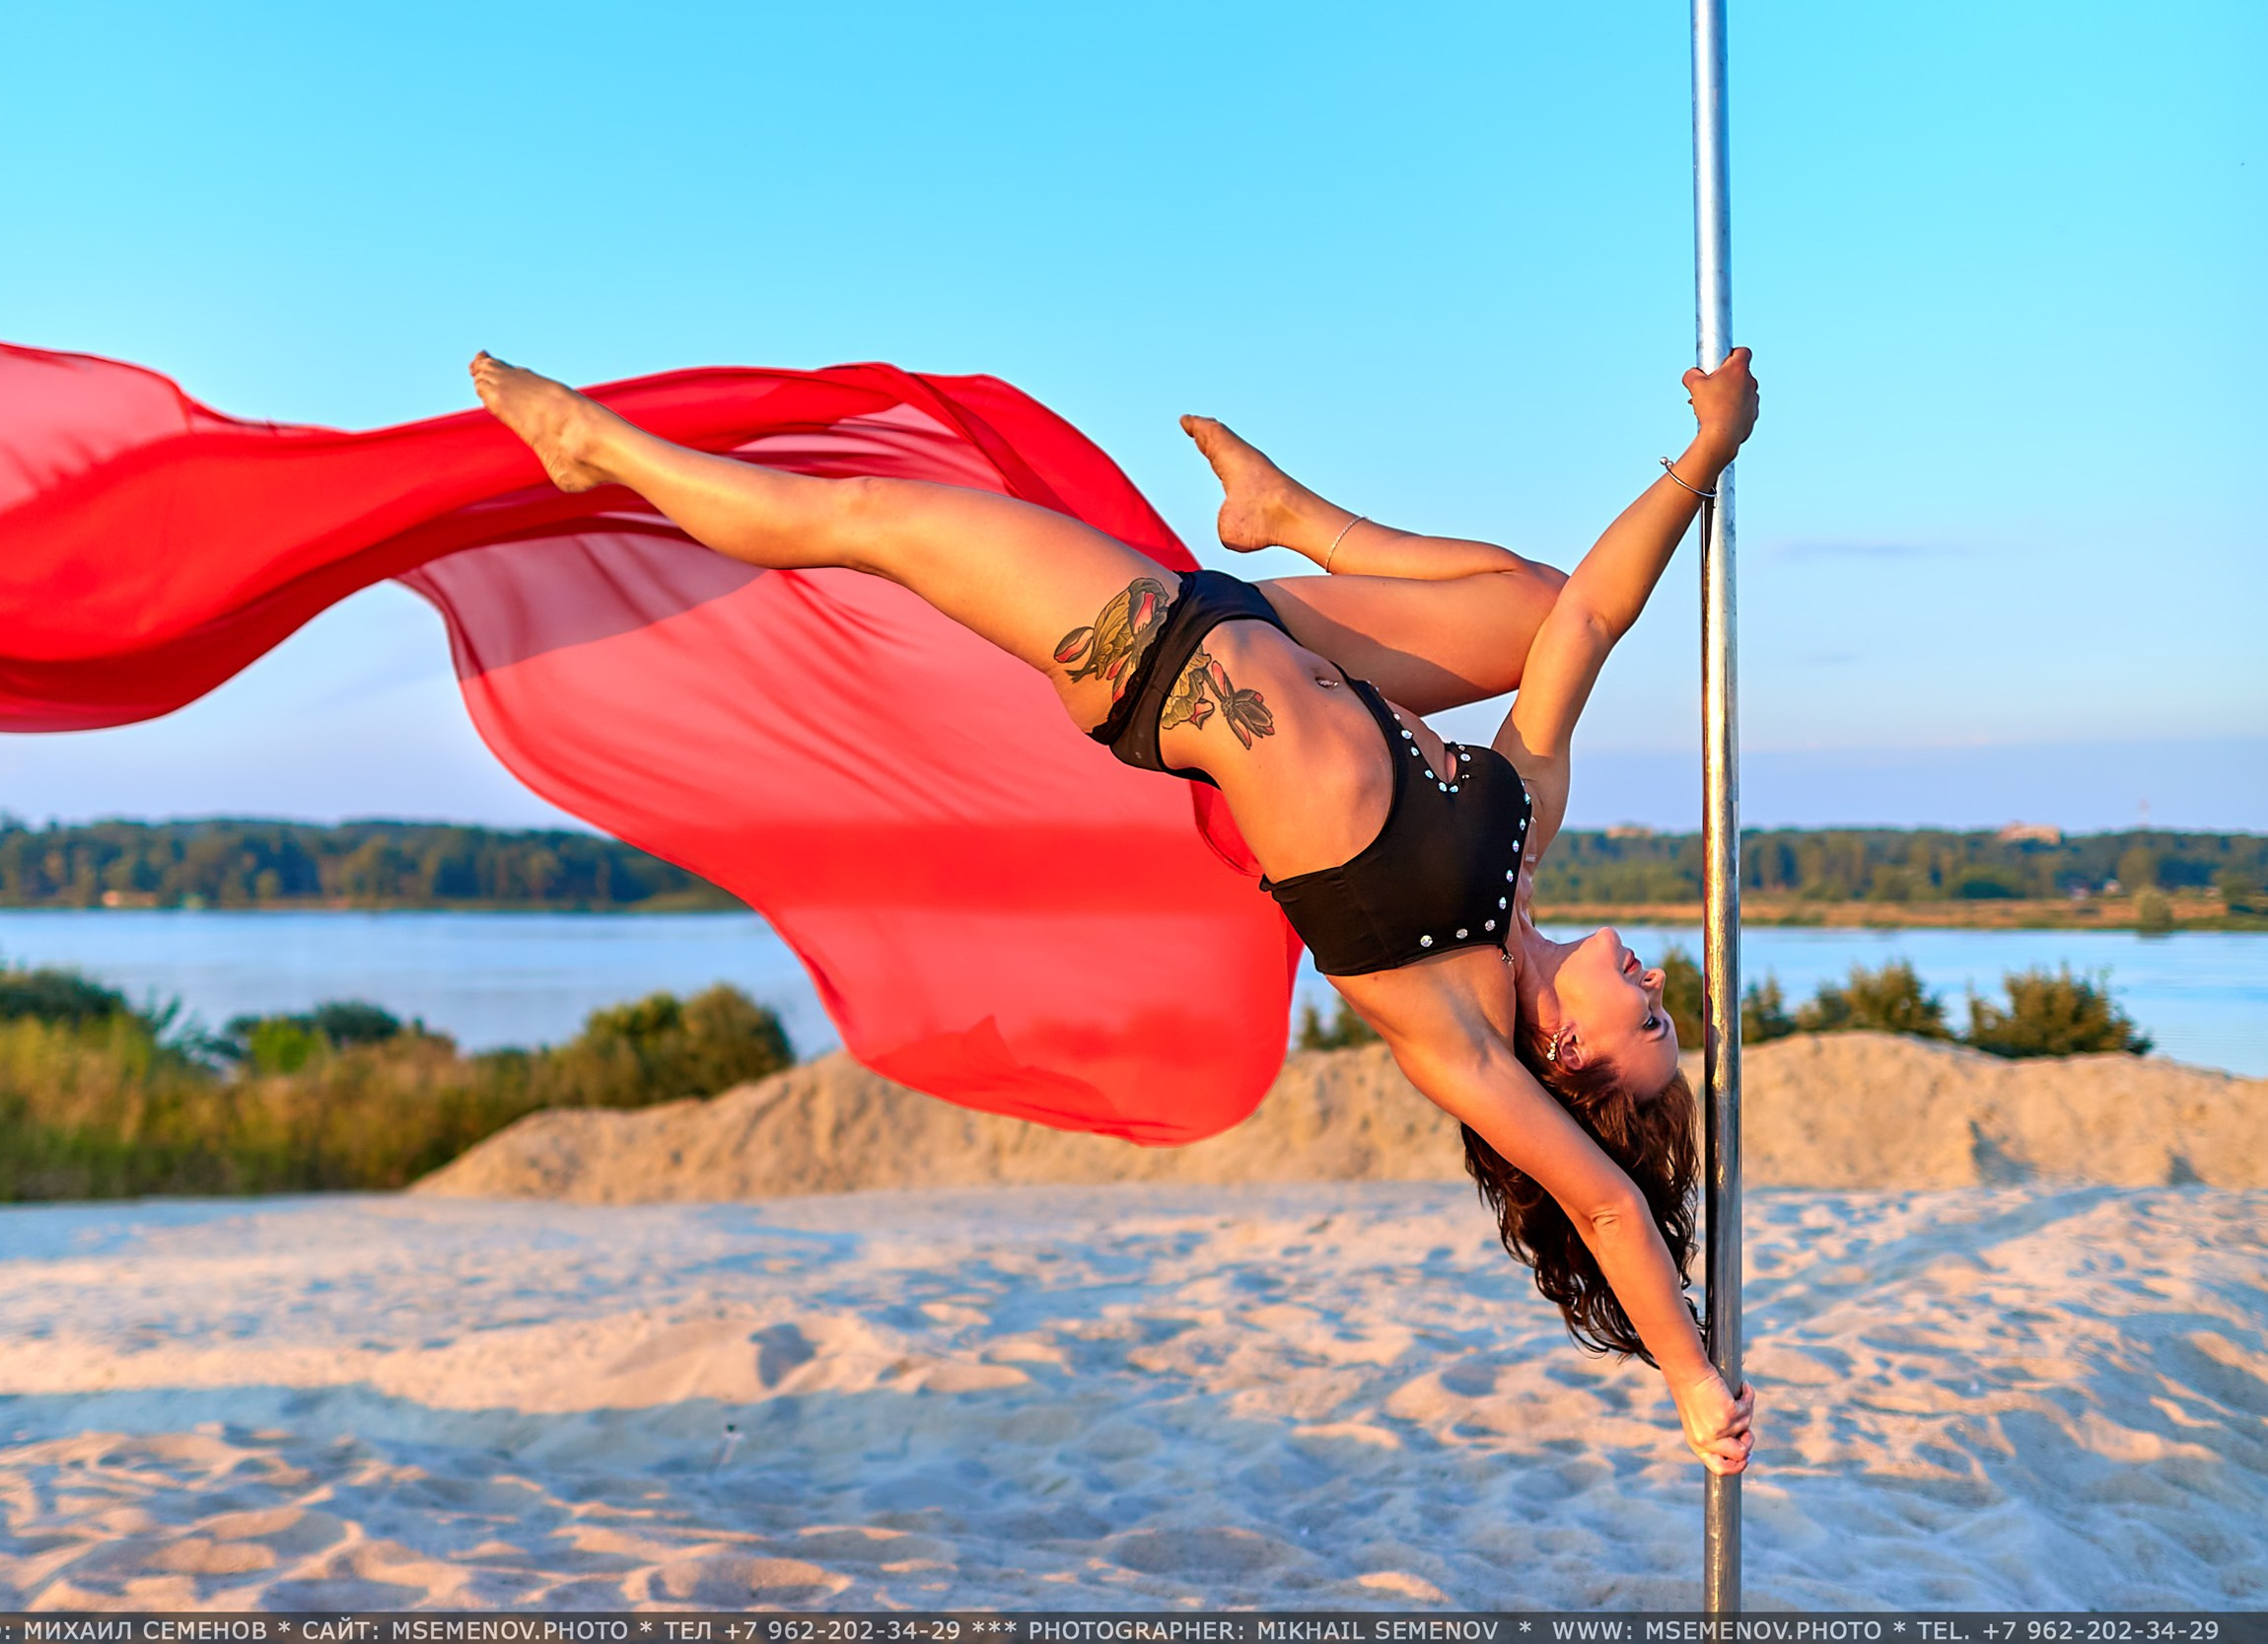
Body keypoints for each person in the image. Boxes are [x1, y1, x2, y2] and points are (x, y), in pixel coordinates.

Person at [469, 346, 1761, 1476]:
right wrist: (1704, 453)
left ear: (1574, 1064)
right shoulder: (1519, 830)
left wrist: (1693, 1379)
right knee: (1540, 608)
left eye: (1647, 1024)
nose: (1659, 986)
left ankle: (599, 450)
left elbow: (1605, 1209)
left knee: (872, 517)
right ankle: (1286, 513)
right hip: (1267, 622)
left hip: (1150, 656)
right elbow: (1593, 616)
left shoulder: (1454, 1026)